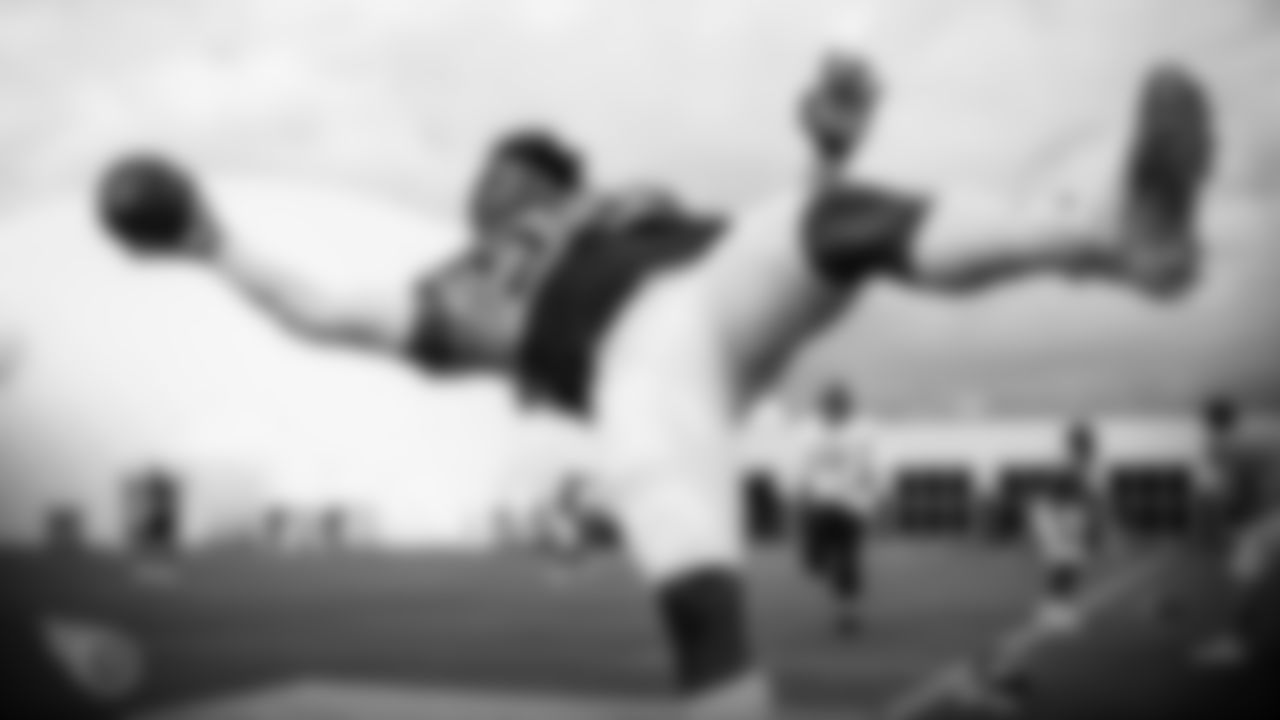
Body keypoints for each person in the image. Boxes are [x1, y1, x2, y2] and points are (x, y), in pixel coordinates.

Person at [97, 53, 1215, 718]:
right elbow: (327, 312)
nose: (496, 188)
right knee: (696, 596)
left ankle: (1114, 234)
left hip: (716, 293)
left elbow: (775, 268)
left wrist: (824, 150)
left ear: (547, 182)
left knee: (826, 217)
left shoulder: (627, 202)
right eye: (492, 177)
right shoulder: (453, 283)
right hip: (634, 368)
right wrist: (207, 237)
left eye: (516, 173)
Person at [796, 386, 880, 634]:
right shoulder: (809, 434)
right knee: (815, 562)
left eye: (839, 405)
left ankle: (847, 614)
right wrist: (802, 495)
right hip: (820, 505)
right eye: (830, 406)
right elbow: (803, 468)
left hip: (850, 506)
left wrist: (869, 500)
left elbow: (870, 468)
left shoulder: (862, 433)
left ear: (846, 408)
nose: (834, 411)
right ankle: (823, 562)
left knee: (847, 561)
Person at [1028, 421, 1103, 634]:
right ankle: (1053, 611)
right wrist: (1065, 524)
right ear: (1077, 444)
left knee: (1071, 561)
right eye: (1086, 442)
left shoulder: (1080, 464)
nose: (1091, 446)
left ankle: (1058, 609)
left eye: (1089, 442)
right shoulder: (1071, 464)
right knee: (1064, 562)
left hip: (1062, 513)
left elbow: (1081, 496)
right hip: (1055, 513)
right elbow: (1056, 493)